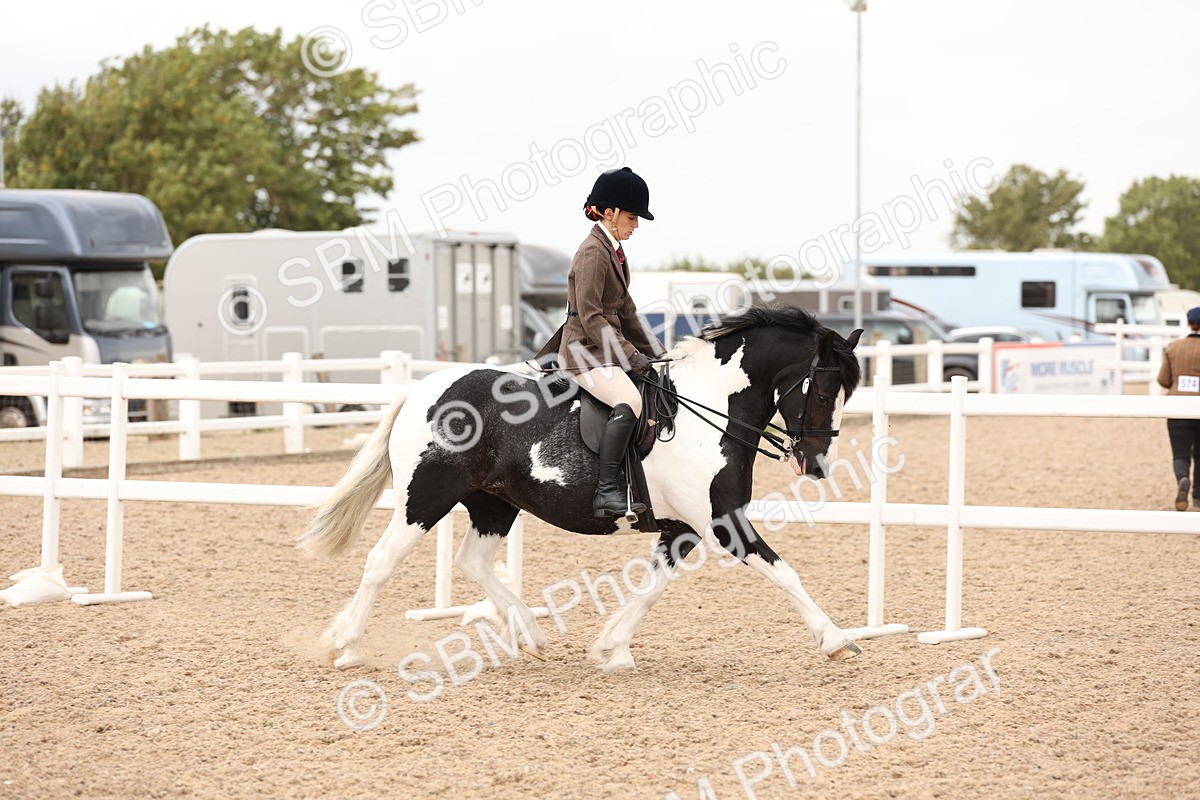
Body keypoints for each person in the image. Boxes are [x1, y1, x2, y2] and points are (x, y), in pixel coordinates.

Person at [535, 167, 666, 518]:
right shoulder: (593, 252)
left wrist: (659, 353)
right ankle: (606, 491)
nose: (635, 225)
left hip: (602, 349)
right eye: (632, 217)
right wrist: (630, 355)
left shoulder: (614, 251)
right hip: (584, 352)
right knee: (630, 400)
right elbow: (591, 316)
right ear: (609, 213)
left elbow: (627, 312)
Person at [1156, 306, 1200, 511]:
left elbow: (1163, 380)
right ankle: (1198, 496)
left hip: (1178, 407)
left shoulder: (1173, 348)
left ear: (1189, 323)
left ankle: (1183, 477)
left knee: (1180, 454)